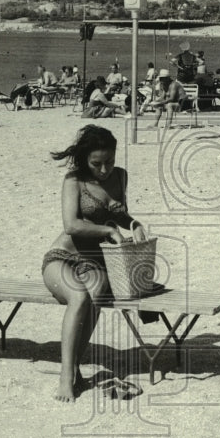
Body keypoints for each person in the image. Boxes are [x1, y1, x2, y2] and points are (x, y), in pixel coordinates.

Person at [42, 126, 148, 402]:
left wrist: (134, 224)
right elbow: (71, 224)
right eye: (96, 164)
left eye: (109, 162)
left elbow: (119, 215)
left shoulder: (120, 177)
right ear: (84, 159)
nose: (104, 170)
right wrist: (108, 232)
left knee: (97, 294)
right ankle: (66, 375)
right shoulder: (73, 180)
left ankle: (75, 364)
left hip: (95, 260)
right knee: (78, 296)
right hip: (62, 258)